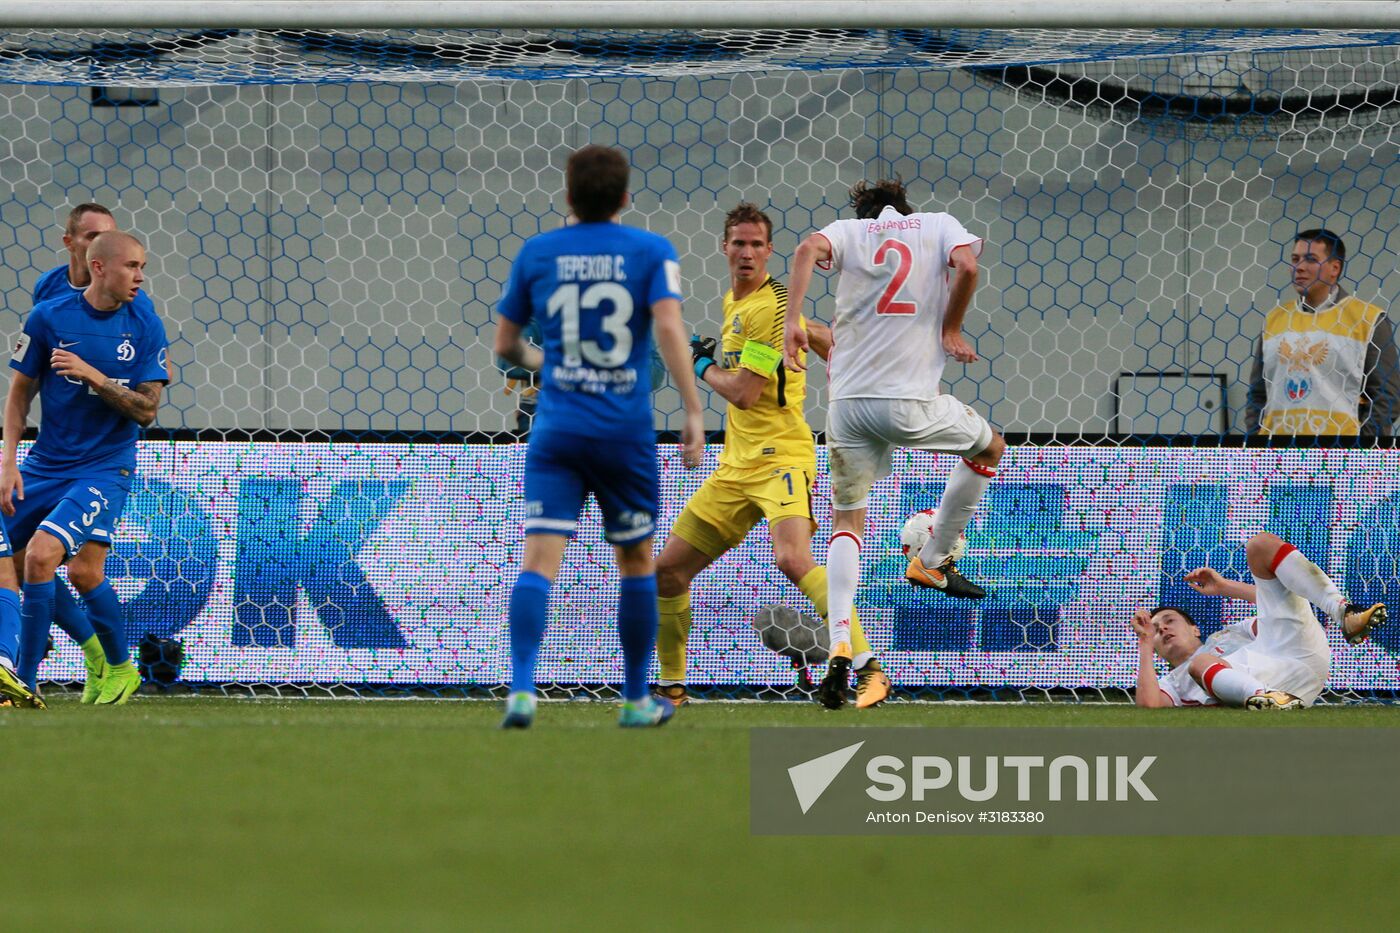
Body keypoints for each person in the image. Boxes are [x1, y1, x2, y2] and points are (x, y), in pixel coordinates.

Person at [493, 144, 705, 729]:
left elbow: (505, 347)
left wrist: (550, 363)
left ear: (568, 197)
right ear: (624, 198)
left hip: (556, 430)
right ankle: (637, 699)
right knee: (636, 561)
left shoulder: (537, 253)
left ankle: (521, 690)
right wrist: (691, 409)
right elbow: (668, 327)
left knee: (539, 559)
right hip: (623, 436)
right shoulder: (649, 251)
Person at [653, 203, 891, 710]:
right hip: (735, 467)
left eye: (756, 244)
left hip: (782, 456)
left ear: (769, 251)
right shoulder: (736, 302)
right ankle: (672, 687)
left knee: (792, 557)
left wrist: (700, 365)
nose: (746, 253)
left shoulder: (771, 307)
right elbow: (816, 341)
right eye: (738, 243)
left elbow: (742, 391)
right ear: (723, 247)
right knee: (668, 572)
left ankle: (869, 668)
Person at [783, 178, 1005, 710]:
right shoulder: (938, 224)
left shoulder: (849, 233)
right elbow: (969, 267)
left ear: (865, 215)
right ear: (908, 210)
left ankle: (840, 639)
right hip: (908, 402)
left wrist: (793, 320)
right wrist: (951, 328)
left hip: (848, 405)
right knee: (991, 447)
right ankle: (932, 555)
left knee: (847, 522)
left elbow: (805, 249)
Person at [2, 230, 170, 705]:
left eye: (142, 266)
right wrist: (9, 461)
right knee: (41, 566)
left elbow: (145, 411)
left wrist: (94, 376)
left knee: (41, 556)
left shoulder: (146, 324)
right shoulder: (49, 316)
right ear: (98, 267)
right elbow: (19, 393)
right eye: (132, 266)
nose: (140, 276)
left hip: (104, 467)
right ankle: (107, 661)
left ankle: (25, 682)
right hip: (46, 464)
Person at [1132, 532, 1386, 709]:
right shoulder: (1172, 682)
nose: (1162, 628)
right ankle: (1267, 700)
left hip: (1298, 652)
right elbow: (1149, 704)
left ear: (1194, 627)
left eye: (1169, 620)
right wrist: (1144, 643)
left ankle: (1344, 613)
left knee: (1260, 545)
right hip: (1286, 692)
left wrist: (1224, 586)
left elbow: (1274, 605)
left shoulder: (1230, 633)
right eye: (1154, 630)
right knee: (1199, 664)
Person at [1246, 228, 1400, 437]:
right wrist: (1257, 440)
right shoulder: (1275, 319)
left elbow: (1388, 396)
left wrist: (1360, 448)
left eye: (1310, 259)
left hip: (1340, 457)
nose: (1299, 267)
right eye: (1295, 259)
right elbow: (1257, 393)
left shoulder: (1368, 319)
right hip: (1277, 456)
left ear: (1334, 268)